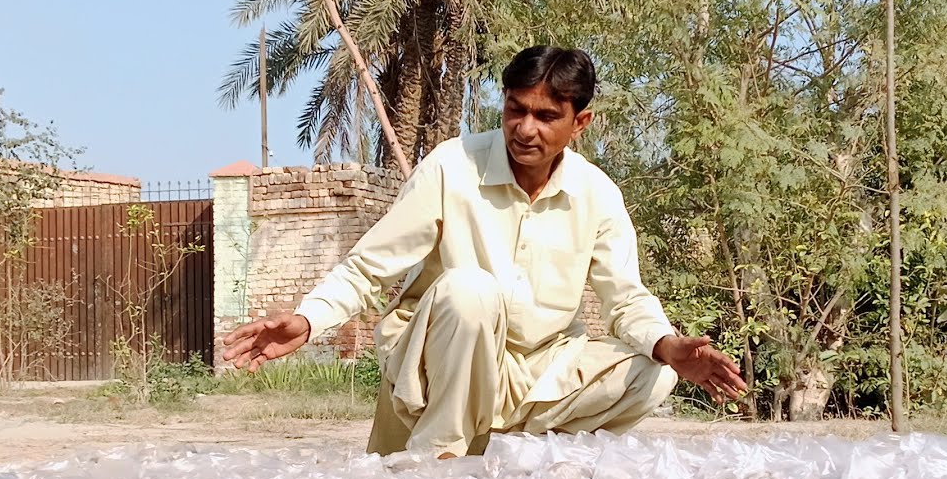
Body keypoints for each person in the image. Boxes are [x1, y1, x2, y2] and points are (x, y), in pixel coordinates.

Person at [222, 45, 747, 457]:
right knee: (470, 288)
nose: (525, 129)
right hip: (440, 367)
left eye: (546, 116)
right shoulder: (452, 166)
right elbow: (368, 267)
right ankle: (441, 456)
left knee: (653, 371)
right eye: (516, 110)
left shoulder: (598, 194)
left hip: (537, 373)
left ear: (579, 123)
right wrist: (308, 320)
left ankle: (517, 456)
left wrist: (668, 345)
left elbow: (625, 299)